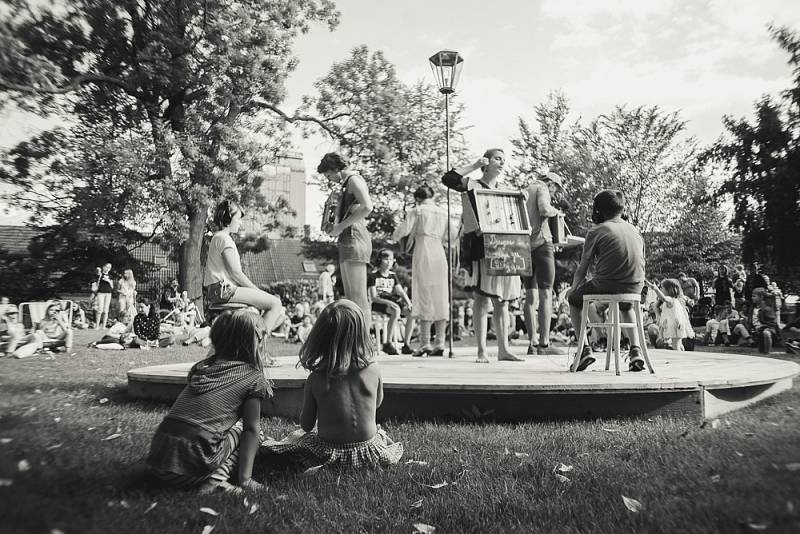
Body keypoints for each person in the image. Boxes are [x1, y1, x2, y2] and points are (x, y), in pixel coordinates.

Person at [260, 299, 403, 469]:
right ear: (360, 334)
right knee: (379, 432)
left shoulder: (316, 377)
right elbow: (377, 403)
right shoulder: (373, 369)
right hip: (368, 450)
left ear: (320, 338)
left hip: (330, 451)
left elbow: (306, 425)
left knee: (297, 438)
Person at [146, 310, 271, 492]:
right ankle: (217, 481)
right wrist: (246, 480)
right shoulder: (253, 377)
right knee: (252, 433)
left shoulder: (203, 367)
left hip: (157, 464)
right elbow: (251, 429)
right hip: (190, 469)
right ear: (255, 343)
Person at [441, 149, 524, 363]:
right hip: (479, 246)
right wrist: (476, 165)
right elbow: (448, 178)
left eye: (503, 160)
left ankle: (503, 349)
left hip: (502, 248)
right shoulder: (472, 185)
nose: (502, 163)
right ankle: (481, 350)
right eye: (497, 158)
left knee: (502, 301)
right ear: (487, 161)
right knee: (481, 298)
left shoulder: (506, 191)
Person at [568, 190, 646, 372]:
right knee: (626, 306)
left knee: (574, 300)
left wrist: (573, 289)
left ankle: (584, 350)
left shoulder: (597, 230)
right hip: (635, 286)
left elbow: (582, 268)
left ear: (598, 211)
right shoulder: (635, 230)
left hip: (606, 284)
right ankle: (636, 350)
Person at [203, 199, 283, 335]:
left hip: (218, 290)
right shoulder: (224, 239)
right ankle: (258, 346)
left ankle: (251, 340)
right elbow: (235, 273)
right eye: (238, 218)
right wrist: (258, 291)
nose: (240, 223)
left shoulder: (219, 237)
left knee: (268, 309)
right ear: (228, 218)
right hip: (224, 290)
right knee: (275, 304)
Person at [393, 184, 450, 357]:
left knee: (424, 294)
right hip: (439, 252)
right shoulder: (443, 212)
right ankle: (440, 342)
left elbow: (400, 232)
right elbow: (453, 236)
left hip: (423, 251)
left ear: (417, 198)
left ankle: (426, 343)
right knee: (440, 296)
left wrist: (396, 236)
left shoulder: (417, 211)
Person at [318, 153, 374, 326]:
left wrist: (340, 226)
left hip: (355, 237)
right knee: (350, 298)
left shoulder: (353, 180)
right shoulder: (345, 184)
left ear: (335, 169)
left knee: (359, 297)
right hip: (346, 239)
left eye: (328, 175)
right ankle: (355, 341)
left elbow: (367, 207)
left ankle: (364, 343)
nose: (329, 179)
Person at [522, 170, 567, 356]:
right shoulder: (542, 188)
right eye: (556, 189)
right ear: (551, 184)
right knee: (546, 294)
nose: (555, 193)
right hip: (542, 245)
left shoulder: (525, 190)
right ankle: (544, 343)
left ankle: (532, 343)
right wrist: (557, 211)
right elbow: (543, 209)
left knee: (530, 297)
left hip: (525, 246)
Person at [366, 249, 413, 355]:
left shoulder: (392, 275)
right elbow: (373, 297)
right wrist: (389, 303)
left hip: (392, 301)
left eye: (391, 259)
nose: (388, 262)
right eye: (386, 259)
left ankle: (406, 344)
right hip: (379, 302)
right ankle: (387, 343)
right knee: (395, 310)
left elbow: (400, 291)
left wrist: (408, 302)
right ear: (380, 261)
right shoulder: (373, 276)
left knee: (412, 312)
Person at [10, 302, 74, 358]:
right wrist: (49, 321)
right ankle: (39, 349)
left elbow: (65, 330)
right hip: (46, 337)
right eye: (51, 310)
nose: (53, 312)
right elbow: (41, 330)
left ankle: (68, 350)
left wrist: (59, 320)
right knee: (39, 331)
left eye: (56, 310)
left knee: (69, 331)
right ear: (47, 311)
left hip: (57, 337)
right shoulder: (43, 320)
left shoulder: (59, 320)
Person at [645, 279, 695, 351]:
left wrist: (655, 289)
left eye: (662, 288)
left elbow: (663, 298)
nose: (660, 289)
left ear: (669, 290)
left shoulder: (670, 300)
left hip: (676, 326)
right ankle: (683, 354)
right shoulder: (672, 301)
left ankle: (678, 357)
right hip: (675, 325)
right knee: (678, 343)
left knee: (676, 344)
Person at [751, 287, 780, 354]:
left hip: (767, 330)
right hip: (756, 330)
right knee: (760, 351)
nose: (752, 298)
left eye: (754, 296)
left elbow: (773, 323)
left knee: (766, 333)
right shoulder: (753, 308)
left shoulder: (767, 309)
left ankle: (767, 352)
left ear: (761, 297)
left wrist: (763, 327)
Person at [94, 263, 114, 329]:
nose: (107, 268)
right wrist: (99, 270)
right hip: (101, 293)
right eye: (106, 267)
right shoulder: (100, 275)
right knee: (100, 309)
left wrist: (108, 280)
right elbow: (98, 272)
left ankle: (104, 326)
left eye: (109, 267)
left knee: (106, 310)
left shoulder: (110, 276)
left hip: (108, 293)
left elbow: (112, 286)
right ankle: (97, 325)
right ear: (104, 267)